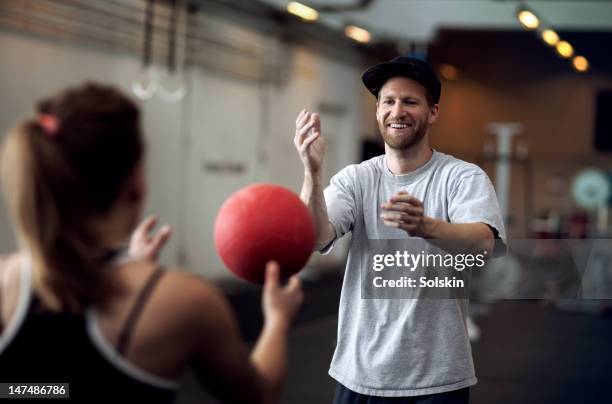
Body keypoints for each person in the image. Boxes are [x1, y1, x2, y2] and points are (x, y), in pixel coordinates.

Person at [0, 83, 303, 404]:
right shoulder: (185, 303)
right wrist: (277, 319)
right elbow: (260, 394)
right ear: (136, 182)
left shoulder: (5, 281)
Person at [294, 56, 506, 403]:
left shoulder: (462, 178)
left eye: (410, 101)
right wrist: (312, 171)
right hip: (359, 373)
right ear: (378, 111)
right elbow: (315, 237)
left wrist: (426, 226)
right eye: (389, 101)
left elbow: (484, 245)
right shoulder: (357, 178)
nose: (398, 111)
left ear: (432, 112)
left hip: (437, 379)